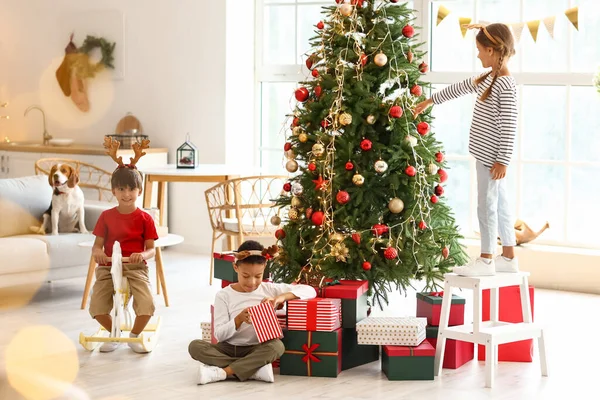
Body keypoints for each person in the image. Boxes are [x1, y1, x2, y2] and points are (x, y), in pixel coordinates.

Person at [413, 23, 519, 276]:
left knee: (487, 205)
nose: (478, 54)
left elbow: (510, 125)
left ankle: (485, 259)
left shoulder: (504, 84)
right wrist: (429, 101)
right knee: (501, 205)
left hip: (492, 159)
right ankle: (508, 257)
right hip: (485, 155)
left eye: (480, 50)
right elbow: (458, 88)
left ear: (492, 50)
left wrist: (503, 161)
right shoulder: (487, 78)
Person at [188, 240, 317, 384]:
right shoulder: (224, 295)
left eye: (258, 276)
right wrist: (238, 320)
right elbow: (219, 335)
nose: (252, 282)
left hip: (256, 348)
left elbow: (309, 290)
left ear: (264, 268)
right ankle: (253, 369)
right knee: (195, 346)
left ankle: (224, 372)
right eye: (246, 276)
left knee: (277, 346)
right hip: (228, 348)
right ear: (235, 267)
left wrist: (280, 298)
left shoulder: (269, 289)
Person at [89, 138, 158, 352]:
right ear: (114, 191)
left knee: (146, 305)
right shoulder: (106, 217)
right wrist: (99, 254)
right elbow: (97, 246)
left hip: (135, 267)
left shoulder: (145, 219)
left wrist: (142, 256)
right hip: (109, 267)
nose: (126, 194)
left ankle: (135, 334)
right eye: (121, 189)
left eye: (131, 189)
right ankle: (114, 332)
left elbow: (151, 249)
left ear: (139, 190)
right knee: (97, 307)